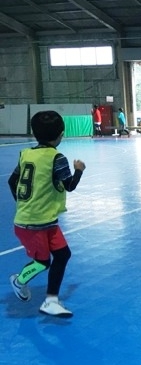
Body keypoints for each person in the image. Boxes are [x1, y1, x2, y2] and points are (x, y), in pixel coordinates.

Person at [8, 110, 86, 318]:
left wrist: (24, 204)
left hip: (46, 220)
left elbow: (12, 181)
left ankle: (51, 301)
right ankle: (19, 281)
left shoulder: (26, 154)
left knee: (63, 254)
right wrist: (79, 170)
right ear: (61, 134)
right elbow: (69, 185)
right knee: (43, 262)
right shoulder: (56, 158)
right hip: (33, 224)